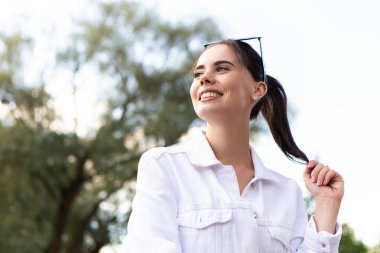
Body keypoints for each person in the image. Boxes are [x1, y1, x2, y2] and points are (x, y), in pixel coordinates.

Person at [124, 37, 344, 253]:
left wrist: (327, 203)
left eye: (221, 68)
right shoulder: (164, 167)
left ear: (258, 90)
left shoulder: (287, 192)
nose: (204, 78)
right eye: (198, 73)